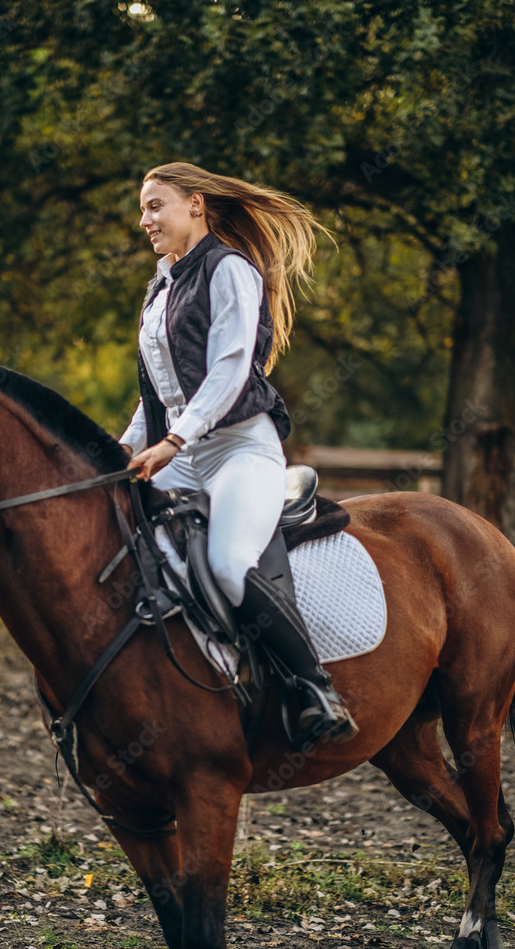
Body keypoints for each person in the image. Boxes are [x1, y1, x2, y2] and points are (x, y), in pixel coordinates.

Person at [119, 162, 358, 745]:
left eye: (156, 205)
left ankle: (314, 687)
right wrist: (119, 451)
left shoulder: (230, 270)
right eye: (143, 208)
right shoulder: (160, 289)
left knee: (227, 564)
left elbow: (228, 371)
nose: (144, 219)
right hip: (180, 448)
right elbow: (155, 395)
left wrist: (175, 440)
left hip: (238, 449)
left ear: (196, 204)